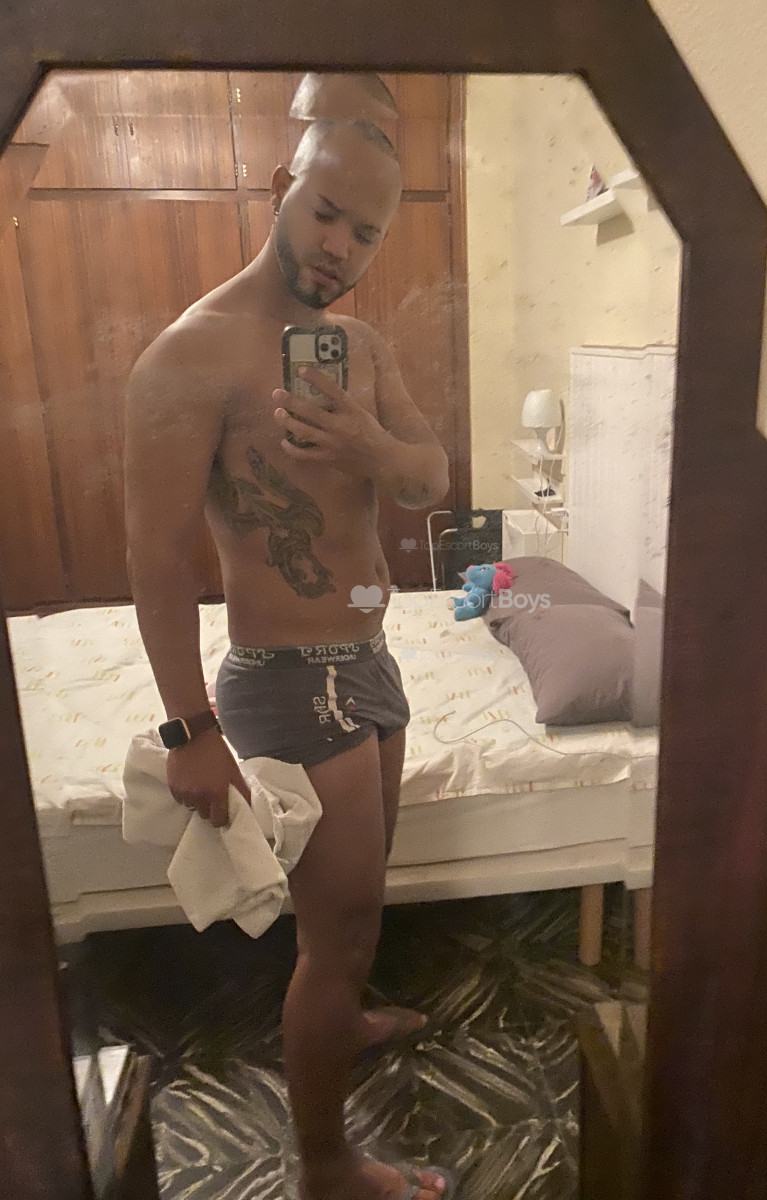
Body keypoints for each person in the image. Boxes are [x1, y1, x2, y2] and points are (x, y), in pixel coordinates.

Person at [124, 80, 452, 1200]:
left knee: (358, 909)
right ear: (282, 186)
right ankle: (324, 1168)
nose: (340, 247)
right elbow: (157, 559)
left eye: (367, 232)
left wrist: (368, 446)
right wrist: (189, 730)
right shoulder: (191, 355)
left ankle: (344, 1020)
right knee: (337, 937)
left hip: (369, 662)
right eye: (325, 212)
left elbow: (431, 477)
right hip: (284, 679)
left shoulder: (359, 347)